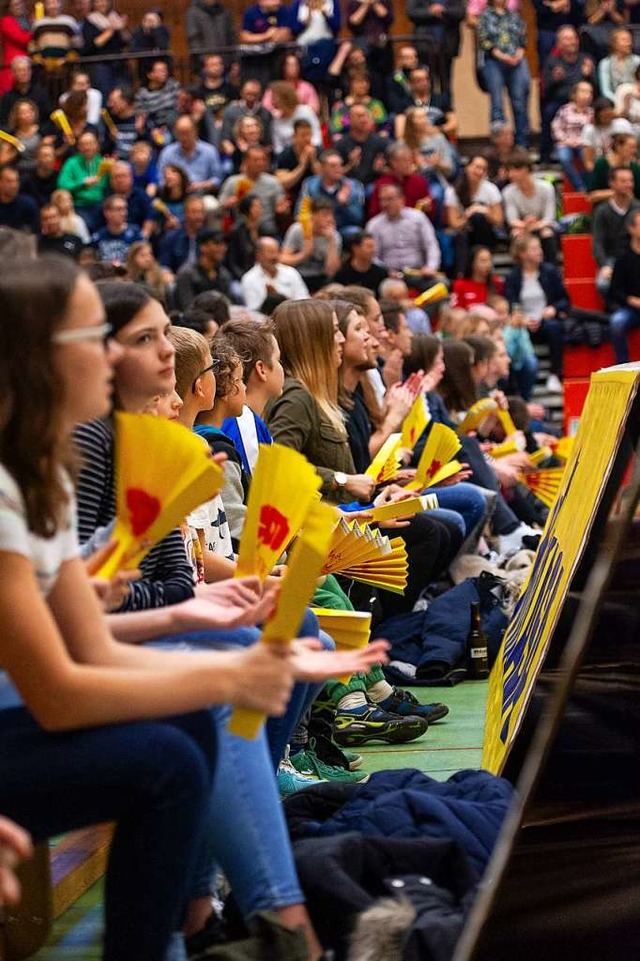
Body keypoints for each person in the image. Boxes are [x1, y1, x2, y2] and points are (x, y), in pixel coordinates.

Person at [0, 253, 310, 961]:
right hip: (27, 700)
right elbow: (59, 684)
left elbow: (102, 625)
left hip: (38, 687)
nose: (158, 352)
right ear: (39, 355)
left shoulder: (45, 463)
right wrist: (232, 675)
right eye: (112, 338)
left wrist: (189, 617)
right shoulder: (38, 465)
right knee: (180, 738)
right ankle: (260, 922)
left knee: (211, 695)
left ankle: (217, 920)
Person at [504, 233, 570, 392]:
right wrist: (523, 319)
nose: (540, 251)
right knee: (511, 333)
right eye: (534, 249)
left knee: (554, 327)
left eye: (539, 248)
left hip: (545, 320)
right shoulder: (513, 277)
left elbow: (565, 300)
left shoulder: (549, 271)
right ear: (523, 254)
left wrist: (553, 309)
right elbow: (509, 303)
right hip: (523, 323)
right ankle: (514, 382)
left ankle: (555, 373)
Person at [477, 0, 530, 148]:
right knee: (497, 102)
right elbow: (484, 41)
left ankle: (521, 143)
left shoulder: (514, 15)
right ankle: (499, 145)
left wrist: (519, 54)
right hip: (494, 61)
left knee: (519, 101)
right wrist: (502, 56)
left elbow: (522, 38)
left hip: (516, 60)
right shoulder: (485, 16)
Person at [540, 24, 595, 163]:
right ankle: (547, 154)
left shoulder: (586, 59)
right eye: (567, 39)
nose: (572, 42)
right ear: (558, 44)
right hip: (560, 101)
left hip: (585, 102)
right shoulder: (552, 62)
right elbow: (546, 89)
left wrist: (588, 75)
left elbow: (596, 88)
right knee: (548, 112)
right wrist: (555, 79)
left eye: (574, 38)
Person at [366, 181, 441, 282]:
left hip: (418, 273)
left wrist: (431, 266)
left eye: (389, 199)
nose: (385, 204)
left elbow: (431, 245)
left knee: (442, 284)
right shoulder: (374, 225)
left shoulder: (418, 218)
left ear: (401, 199)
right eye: (382, 200)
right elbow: (372, 256)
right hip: (389, 275)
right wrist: (385, 271)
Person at [502, 148, 558, 263]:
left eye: (514, 170)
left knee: (547, 233)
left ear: (525, 169)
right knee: (516, 234)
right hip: (523, 226)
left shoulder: (546, 188)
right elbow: (512, 220)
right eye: (509, 170)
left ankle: (552, 270)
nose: (510, 175)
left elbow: (549, 217)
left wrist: (535, 225)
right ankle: (520, 271)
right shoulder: (508, 191)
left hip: (542, 225)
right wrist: (525, 224)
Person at [406, 0, 465, 107]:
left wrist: (443, 10)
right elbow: (411, 12)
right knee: (426, 81)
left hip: (447, 44)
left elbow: (460, 12)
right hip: (424, 45)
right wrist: (430, 12)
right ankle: (426, 111)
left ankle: (447, 111)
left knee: (446, 83)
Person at [296, 148, 366, 238]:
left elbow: (358, 218)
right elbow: (300, 213)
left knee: (356, 233)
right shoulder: (310, 185)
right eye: (333, 166)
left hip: (343, 228)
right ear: (322, 168)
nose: (338, 169)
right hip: (316, 228)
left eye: (340, 165)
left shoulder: (353, 186)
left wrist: (345, 203)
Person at [592, 165, 639, 297]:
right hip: (612, 259)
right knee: (603, 284)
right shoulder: (602, 211)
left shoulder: (638, 207)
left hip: (635, 257)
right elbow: (598, 243)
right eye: (623, 181)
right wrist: (604, 265)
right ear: (612, 183)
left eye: (631, 181)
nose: (629, 184)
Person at [219, 145, 286, 236]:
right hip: (241, 225)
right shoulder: (233, 182)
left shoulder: (273, 182)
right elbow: (221, 205)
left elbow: (282, 206)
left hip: (265, 224)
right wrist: (228, 203)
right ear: (245, 162)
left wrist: (282, 209)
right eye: (256, 160)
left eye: (263, 160)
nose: (260, 163)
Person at [280, 196, 342, 293]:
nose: (330, 219)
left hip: (320, 279)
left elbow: (330, 271)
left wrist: (331, 242)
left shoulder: (334, 236)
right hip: (297, 275)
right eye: (325, 215)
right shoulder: (298, 230)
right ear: (313, 215)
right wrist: (303, 254)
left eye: (331, 215)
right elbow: (282, 260)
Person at [157, 115, 222, 196]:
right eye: (180, 133)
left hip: (201, 195)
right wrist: (174, 185)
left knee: (212, 205)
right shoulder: (167, 152)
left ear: (195, 131)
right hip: (174, 196)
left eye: (187, 133)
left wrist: (201, 185)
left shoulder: (209, 151)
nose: (184, 137)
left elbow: (217, 180)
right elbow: (160, 180)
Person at [241, 235, 309, 310]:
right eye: (271, 252)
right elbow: (254, 311)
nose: (275, 256)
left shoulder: (291, 272)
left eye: (277, 252)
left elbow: (304, 300)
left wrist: (279, 297)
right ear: (258, 255)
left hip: (294, 316)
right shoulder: (249, 279)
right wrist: (271, 299)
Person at [608, 207, 640, 361]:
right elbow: (614, 290)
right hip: (631, 308)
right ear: (631, 229)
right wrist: (631, 300)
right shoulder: (622, 257)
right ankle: (623, 367)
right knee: (617, 322)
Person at [80, 0, 130, 96]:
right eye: (98, 2)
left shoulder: (115, 17)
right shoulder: (89, 21)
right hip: (100, 63)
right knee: (105, 93)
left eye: (104, 1)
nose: (102, 4)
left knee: (123, 91)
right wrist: (111, 30)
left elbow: (125, 41)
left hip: (118, 63)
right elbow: (93, 44)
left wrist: (123, 27)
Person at [175, 228, 234, 309]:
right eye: (217, 243)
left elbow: (227, 305)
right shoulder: (187, 273)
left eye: (224, 244)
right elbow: (187, 307)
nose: (222, 248)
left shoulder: (224, 275)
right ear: (203, 247)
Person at [551, 80, 594, 192]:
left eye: (590, 92)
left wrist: (582, 141)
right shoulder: (564, 110)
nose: (587, 95)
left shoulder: (592, 113)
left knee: (588, 161)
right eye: (583, 91)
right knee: (564, 158)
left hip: (583, 144)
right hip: (565, 142)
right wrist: (566, 140)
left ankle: (588, 185)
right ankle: (580, 187)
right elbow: (556, 127)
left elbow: (593, 132)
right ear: (574, 94)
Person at [268, 80, 323, 156]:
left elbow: (317, 136)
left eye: (274, 97)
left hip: (311, 151)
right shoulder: (276, 120)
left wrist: (310, 149)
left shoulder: (306, 111)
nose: (272, 101)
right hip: (288, 157)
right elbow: (278, 147)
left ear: (284, 97)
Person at [133, 59, 179, 148]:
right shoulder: (142, 94)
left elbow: (178, 106)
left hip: (174, 122)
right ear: (150, 75)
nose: (164, 73)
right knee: (163, 140)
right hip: (156, 128)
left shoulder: (173, 85)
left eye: (165, 70)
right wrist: (153, 130)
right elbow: (142, 117)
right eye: (160, 71)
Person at [588, 130, 640, 205]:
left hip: (630, 211)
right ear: (619, 147)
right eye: (631, 147)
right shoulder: (601, 164)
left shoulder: (635, 168)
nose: (634, 151)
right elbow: (592, 196)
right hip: (604, 210)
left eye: (635, 148)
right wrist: (617, 192)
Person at [581, 96, 632, 173]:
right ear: (597, 115)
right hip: (600, 166)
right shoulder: (589, 130)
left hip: (624, 166)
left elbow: (632, 150)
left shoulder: (623, 124)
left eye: (609, 115)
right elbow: (588, 161)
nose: (607, 118)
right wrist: (598, 173)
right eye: (604, 116)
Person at [158, 194, 206, 273]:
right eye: (194, 212)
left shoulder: (209, 238)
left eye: (201, 212)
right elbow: (164, 266)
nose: (199, 216)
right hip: (177, 280)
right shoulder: (171, 238)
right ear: (185, 214)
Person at [90, 194, 142, 265]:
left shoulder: (136, 233)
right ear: (107, 213)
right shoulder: (98, 237)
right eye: (119, 209)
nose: (124, 213)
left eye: (125, 209)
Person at [185, 0, 236, 73]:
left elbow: (231, 37)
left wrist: (234, 60)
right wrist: (206, 59)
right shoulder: (192, 13)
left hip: (225, 63)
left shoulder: (225, 12)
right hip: (203, 65)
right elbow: (194, 39)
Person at [452, 245, 504, 311]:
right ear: (472, 263)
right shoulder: (460, 285)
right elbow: (456, 311)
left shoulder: (497, 283)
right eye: (483, 261)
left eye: (489, 260)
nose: (488, 264)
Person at [598, 27, 639, 101]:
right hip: (615, 100)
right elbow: (605, 91)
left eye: (630, 40)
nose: (629, 43)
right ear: (614, 44)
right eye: (624, 40)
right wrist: (619, 101)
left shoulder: (637, 61)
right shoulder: (605, 64)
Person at [125, 240, 171, 305]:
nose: (148, 259)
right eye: (142, 255)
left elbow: (159, 296)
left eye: (150, 254)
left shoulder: (159, 274)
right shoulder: (126, 276)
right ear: (133, 258)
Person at [0, 0, 31, 96]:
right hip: (12, 64)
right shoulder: (6, 21)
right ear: (9, 8)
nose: (19, 6)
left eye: (21, 3)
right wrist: (36, 31)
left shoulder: (25, 21)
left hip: (26, 62)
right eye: (16, 4)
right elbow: (21, 38)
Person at [0, 163, 38, 232]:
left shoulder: (28, 204)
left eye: (16, 181)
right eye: (9, 181)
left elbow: (34, 234)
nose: (14, 185)